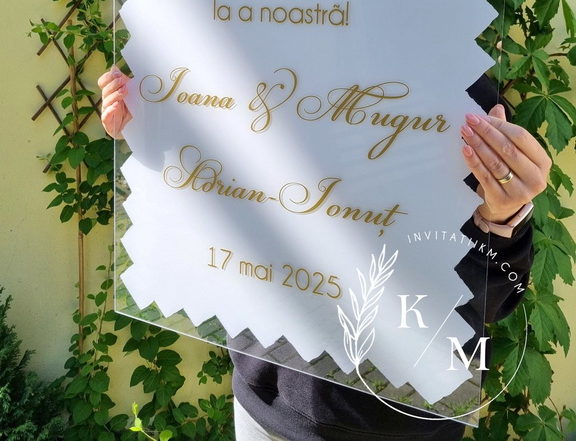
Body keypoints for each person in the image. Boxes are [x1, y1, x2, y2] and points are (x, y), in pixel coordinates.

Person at [99, 68, 549, 441]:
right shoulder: (243, 57)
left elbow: (492, 301)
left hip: (406, 423)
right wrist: (150, 136)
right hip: (265, 406)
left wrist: (502, 220)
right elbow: (216, 209)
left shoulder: (458, 96)